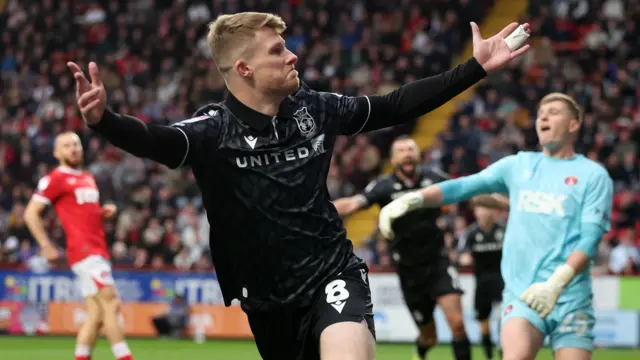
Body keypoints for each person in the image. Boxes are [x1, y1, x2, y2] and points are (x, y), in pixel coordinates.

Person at [67, 11, 530, 360]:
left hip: (332, 274)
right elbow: (158, 141)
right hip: (267, 301)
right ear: (243, 69)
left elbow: (393, 106)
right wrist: (105, 121)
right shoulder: (213, 130)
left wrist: (475, 68)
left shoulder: (316, 109)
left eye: (286, 46)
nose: (292, 56)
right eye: (276, 51)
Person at [378, 93, 614, 360]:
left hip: (571, 296)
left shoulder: (593, 175)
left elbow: (590, 239)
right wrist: (415, 198)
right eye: (541, 113)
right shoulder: (519, 165)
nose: (544, 117)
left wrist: (556, 284)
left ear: (574, 125)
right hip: (522, 295)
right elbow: (464, 186)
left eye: (554, 112)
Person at [334, 136, 505, 360]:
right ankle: (421, 351)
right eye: (402, 150)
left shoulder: (433, 178)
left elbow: (468, 193)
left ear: (418, 155)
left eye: (411, 149)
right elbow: (353, 203)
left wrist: (506, 203)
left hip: (438, 262)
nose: (407, 153)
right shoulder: (383, 185)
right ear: (394, 159)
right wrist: (315, 211)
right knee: (429, 337)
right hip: (409, 271)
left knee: (458, 325)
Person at [24, 132, 134, 360]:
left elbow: (81, 213)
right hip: (85, 251)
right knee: (111, 302)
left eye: (75, 144)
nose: (72, 148)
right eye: (66, 145)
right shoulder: (55, 178)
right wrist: (45, 244)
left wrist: (102, 214)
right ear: (57, 153)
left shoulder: (87, 177)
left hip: (97, 248)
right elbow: (30, 213)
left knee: (96, 313)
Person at [457, 204, 506, 360]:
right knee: (484, 326)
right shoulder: (471, 232)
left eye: (487, 208)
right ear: (476, 212)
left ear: (493, 211)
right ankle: (489, 356)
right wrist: (464, 257)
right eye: (480, 209)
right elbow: (461, 252)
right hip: (482, 285)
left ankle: (504, 352)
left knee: (503, 320)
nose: (484, 213)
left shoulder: (503, 230)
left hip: (502, 283)